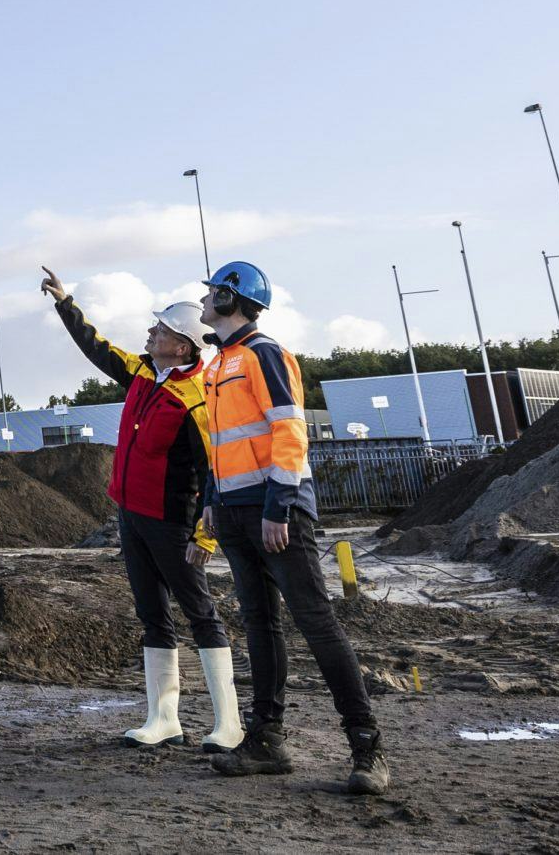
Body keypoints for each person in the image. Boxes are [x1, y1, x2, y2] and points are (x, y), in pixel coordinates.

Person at [192, 260, 391, 797]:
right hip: (233, 511)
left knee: (316, 622)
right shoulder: (218, 363)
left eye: (211, 292)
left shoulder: (264, 354)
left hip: (273, 510)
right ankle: (267, 741)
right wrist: (211, 500)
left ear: (231, 299)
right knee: (259, 623)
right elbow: (220, 444)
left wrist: (278, 507)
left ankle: (367, 745)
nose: (204, 300)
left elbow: (289, 431)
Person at [39, 267, 241, 752]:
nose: (151, 332)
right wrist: (66, 303)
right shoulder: (143, 371)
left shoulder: (197, 398)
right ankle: (163, 718)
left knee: (201, 614)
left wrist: (205, 536)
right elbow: (97, 347)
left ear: (183, 347)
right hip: (131, 517)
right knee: (152, 615)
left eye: (161, 329)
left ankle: (229, 724)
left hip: (173, 524)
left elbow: (214, 472)